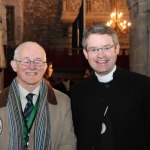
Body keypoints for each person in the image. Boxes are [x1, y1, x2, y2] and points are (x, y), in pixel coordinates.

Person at [70, 23, 150, 150]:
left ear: (117, 48)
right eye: (94, 49)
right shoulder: (77, 91)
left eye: (106, 48)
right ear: (86, 53)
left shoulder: (143, 86)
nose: (101, 55)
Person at [0, 41, 76, 150]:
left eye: (38, 61)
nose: (32, 67)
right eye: (26, 61)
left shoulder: (63, 101)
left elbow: (67, 144)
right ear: (14, 65)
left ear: (45, 66)